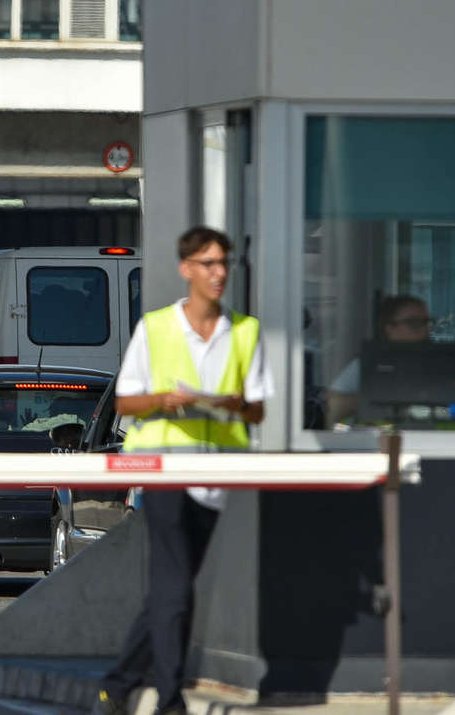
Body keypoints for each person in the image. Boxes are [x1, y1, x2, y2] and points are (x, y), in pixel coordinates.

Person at [94, 227, 273, 715]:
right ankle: (170, 702)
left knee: (172, 594)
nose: (220, 272)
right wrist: (163, 399)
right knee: (175, 593)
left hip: (217, 479)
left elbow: (258, 410)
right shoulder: (155, 328)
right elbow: (126, 401)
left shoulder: (246, 331)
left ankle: (117, 685)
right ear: (186, 269)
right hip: (166, 471)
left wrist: (234, 404)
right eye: (209, 263)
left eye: (224, 263)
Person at [324, 295, 433, 426]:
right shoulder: (370, 362)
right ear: (389, 328)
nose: (424, 329)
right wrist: (383, 396)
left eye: (427, 322)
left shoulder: (439, 362)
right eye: (413, 323)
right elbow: (331, 406)